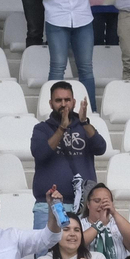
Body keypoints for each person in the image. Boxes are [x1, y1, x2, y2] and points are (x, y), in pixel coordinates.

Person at [32, 82, 105, 227]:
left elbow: (100, 148)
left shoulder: (85, 127)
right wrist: (62, 128)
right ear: (51, 103)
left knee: (83, 250)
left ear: (74, 102)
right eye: (58, 100)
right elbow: (40, 153)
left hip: (83, 207)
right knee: (45, 250)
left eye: (67, 100)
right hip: (49, 206)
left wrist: (84, 123)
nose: (63, 104)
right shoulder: (42, 129)